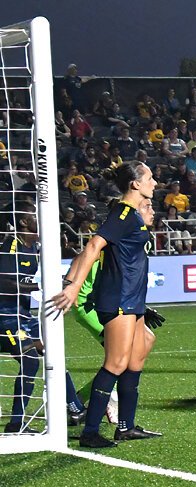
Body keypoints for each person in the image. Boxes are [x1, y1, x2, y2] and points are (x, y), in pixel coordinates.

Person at [50, 162, 162, 447]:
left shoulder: (133, 216)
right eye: (150, 178)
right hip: (119, 298)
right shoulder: (123, 213)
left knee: (138, 355)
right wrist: (74, 286)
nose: (155, 182)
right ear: (135, 184)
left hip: (132, 299)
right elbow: (92, 247)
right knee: (116, 363)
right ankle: (89, 432)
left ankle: (126, 426)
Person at [2, 203, 89, 433]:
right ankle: (15, 424)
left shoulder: (35, 247)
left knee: (54, 352)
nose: (39, 219)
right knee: (30, 360)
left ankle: (75, 408)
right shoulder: (12, 245)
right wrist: (40, 286)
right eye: (35, 215)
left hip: (23, 315)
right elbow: (4, 283)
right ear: (23, 222)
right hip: (5, 317)